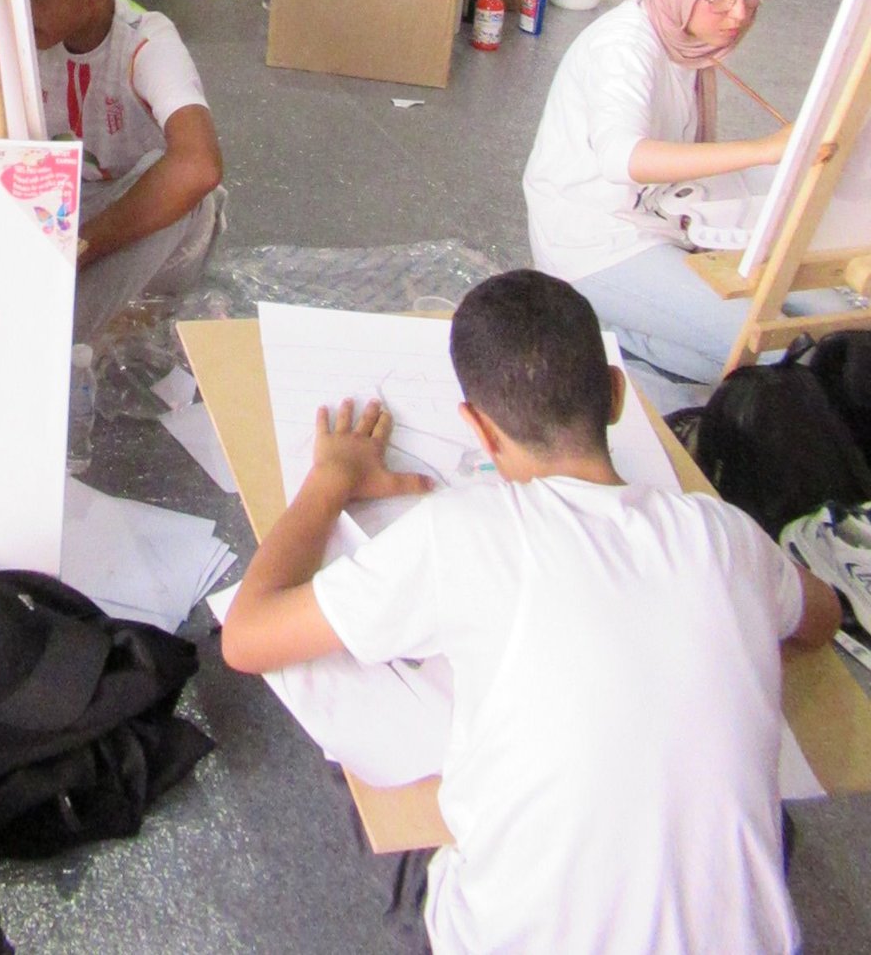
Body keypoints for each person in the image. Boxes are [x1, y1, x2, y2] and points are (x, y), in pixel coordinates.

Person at [221, 267, 839, 955]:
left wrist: (332, 478)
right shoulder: (725, 536)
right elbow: (822, 619)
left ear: (479, 430)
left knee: (343, 705)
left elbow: (246, 637)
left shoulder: (461, 531)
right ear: (616, 393)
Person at [522, 0, 837, 384]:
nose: (740, 12)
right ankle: (602, 327)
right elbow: (623, 158)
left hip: (659, 217)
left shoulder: (686, 40)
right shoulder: (623, 48)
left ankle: (627, 327)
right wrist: (767, 149)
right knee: (773, 346)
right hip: (594, 243)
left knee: (826, 317)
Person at [23, 0, 221, 342]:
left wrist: (80, 246)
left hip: (131, 219)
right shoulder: (24, 29)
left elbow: (199, 167)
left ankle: (61, 340)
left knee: (176, 183)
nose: (22, 4)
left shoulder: (147, 44)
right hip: (69, 206)